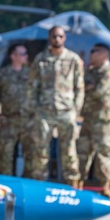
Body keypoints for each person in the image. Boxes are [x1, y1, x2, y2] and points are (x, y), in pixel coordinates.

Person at [27, 26, 85, 186]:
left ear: (64, 38)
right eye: (54, 37)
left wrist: (76, 110)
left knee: (69, 151)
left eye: (60, 36)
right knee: (41, 150)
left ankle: (72, 183)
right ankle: (39, 184)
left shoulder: (73, 59)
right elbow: (33, 86)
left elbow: (79, 87)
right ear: (49, 38)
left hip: (66, 111)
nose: (57, 40)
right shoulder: (41, 59)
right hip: (44, 112)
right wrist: (35, 108)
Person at [76, 44, 110, 198]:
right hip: (89, 119)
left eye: (94, 52)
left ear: (103, 54)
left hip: (103, 121)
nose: (91, 55)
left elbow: (98, 92)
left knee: (103, 154)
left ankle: (105, 186)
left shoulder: (109, 72)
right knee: (82, 152)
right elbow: (79, 86)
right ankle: (78, 183)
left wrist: (87, 87)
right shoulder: (91, 71)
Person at [0, 44, 34, 177]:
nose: (26, 56)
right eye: (23, 53)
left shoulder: (31, 74)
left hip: (28, 122)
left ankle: (26, 188)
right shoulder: (2, 74)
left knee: (30, 158)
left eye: (26, 53)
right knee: (5, 158)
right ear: (13, 56)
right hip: (8, 121)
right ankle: (7, 187)